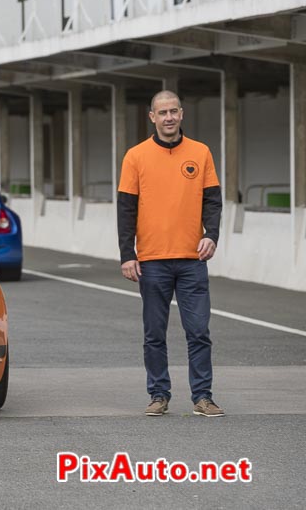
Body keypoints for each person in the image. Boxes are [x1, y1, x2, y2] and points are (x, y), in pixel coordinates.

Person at [117, 90, 224, 418]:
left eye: (173, 111)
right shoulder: (135, 156)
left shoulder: (201, 152)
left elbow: (213, 200)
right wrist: (127, 254)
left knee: (198, 331)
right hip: (151, 260)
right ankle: (159, 394)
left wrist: (212, 235)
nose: (168, 117)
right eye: (162, 112)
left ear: (181, 113)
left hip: (192, 259)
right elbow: (126, 208)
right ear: (152, 117)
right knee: (154, 333)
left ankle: (202, 397)